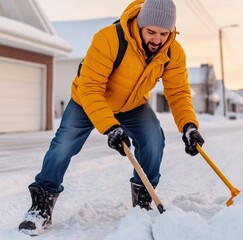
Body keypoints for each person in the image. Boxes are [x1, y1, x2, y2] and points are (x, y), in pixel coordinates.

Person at [18, 0, 204, 234]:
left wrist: (188, 126)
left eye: (164, 33)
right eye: (151, 32)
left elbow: (178, 92)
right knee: (63, 145)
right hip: (88, 100)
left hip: (133, 104)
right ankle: (41, 204)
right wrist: (110, 127)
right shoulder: (108, 39)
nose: (157, 39)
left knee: (154, 140)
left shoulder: (173, 52)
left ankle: (143, 199)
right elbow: (90, 87)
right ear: (140, 24)